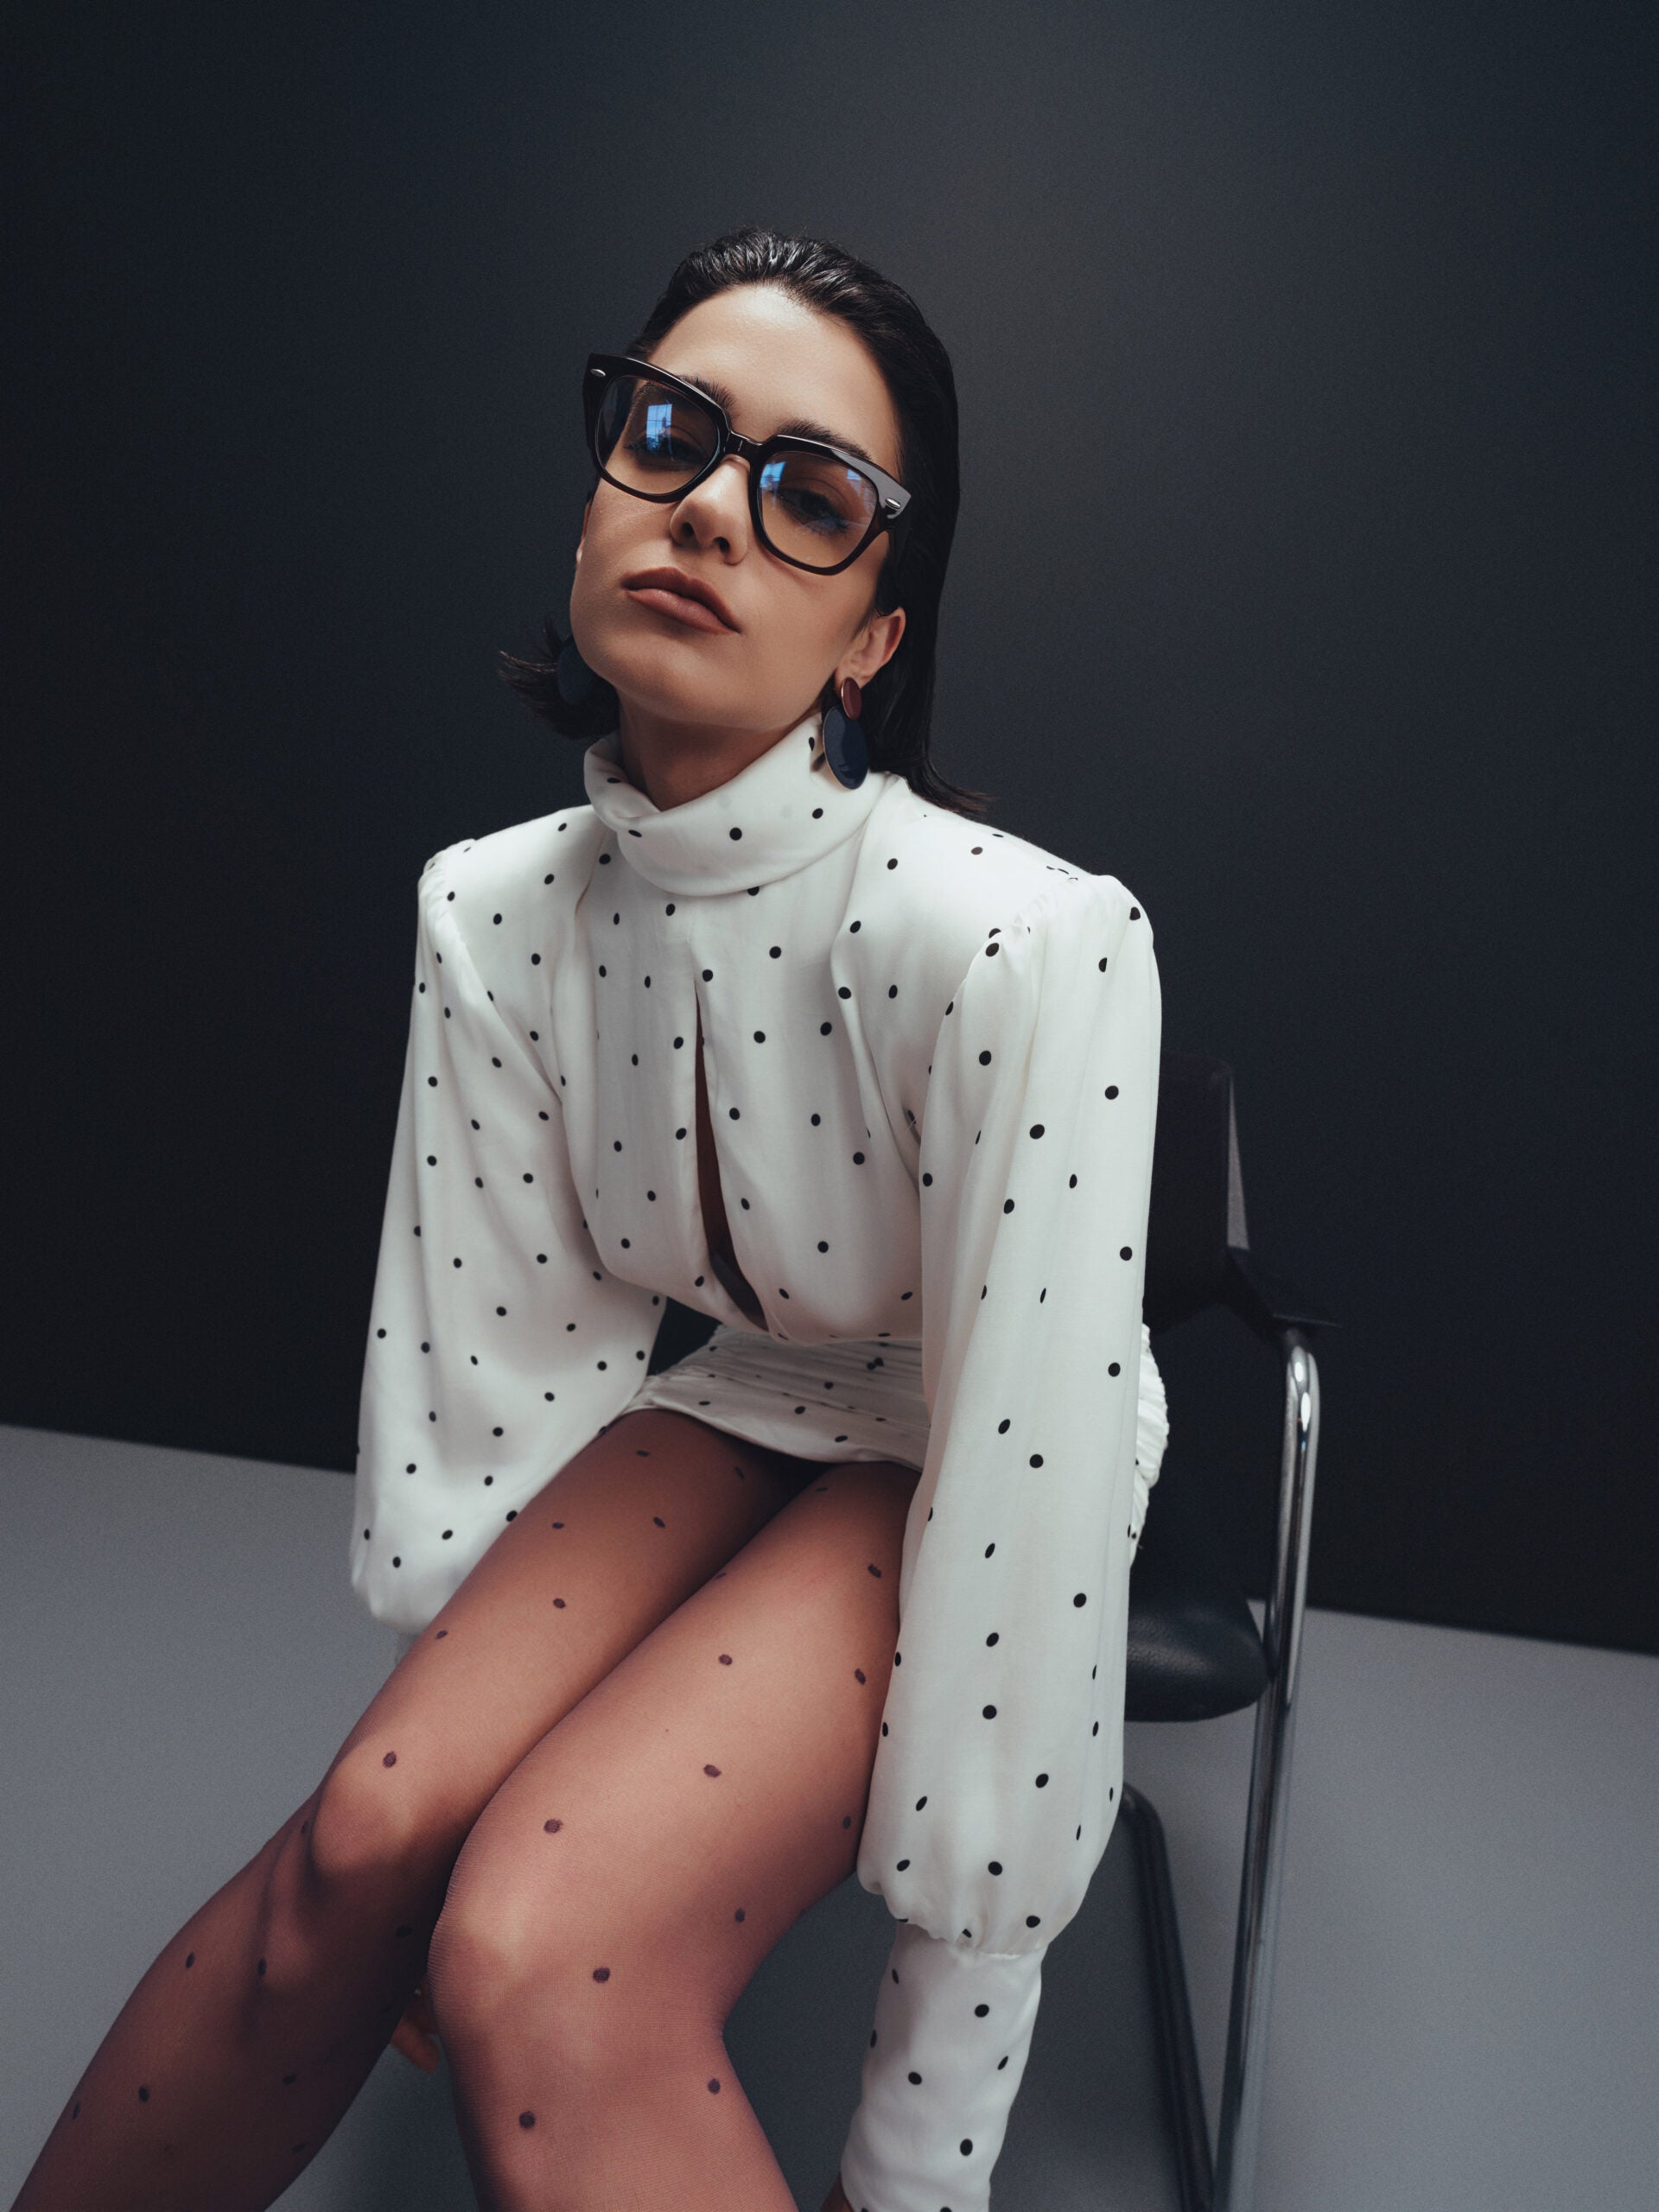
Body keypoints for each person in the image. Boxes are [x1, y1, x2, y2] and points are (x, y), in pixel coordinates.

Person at [13, 225, 1167, 2212]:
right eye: (670, 434)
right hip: (743, 1393)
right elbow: (504, 1388)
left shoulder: (1026, 941)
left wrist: (920, 2152)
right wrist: (451, 1794)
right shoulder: (493, 908)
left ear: (876, 637)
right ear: (598, 487)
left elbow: (1022, 1611)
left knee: (538, 1944)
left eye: (812, 496)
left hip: (975, 1427)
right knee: (359, 1851)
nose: (711, 506)